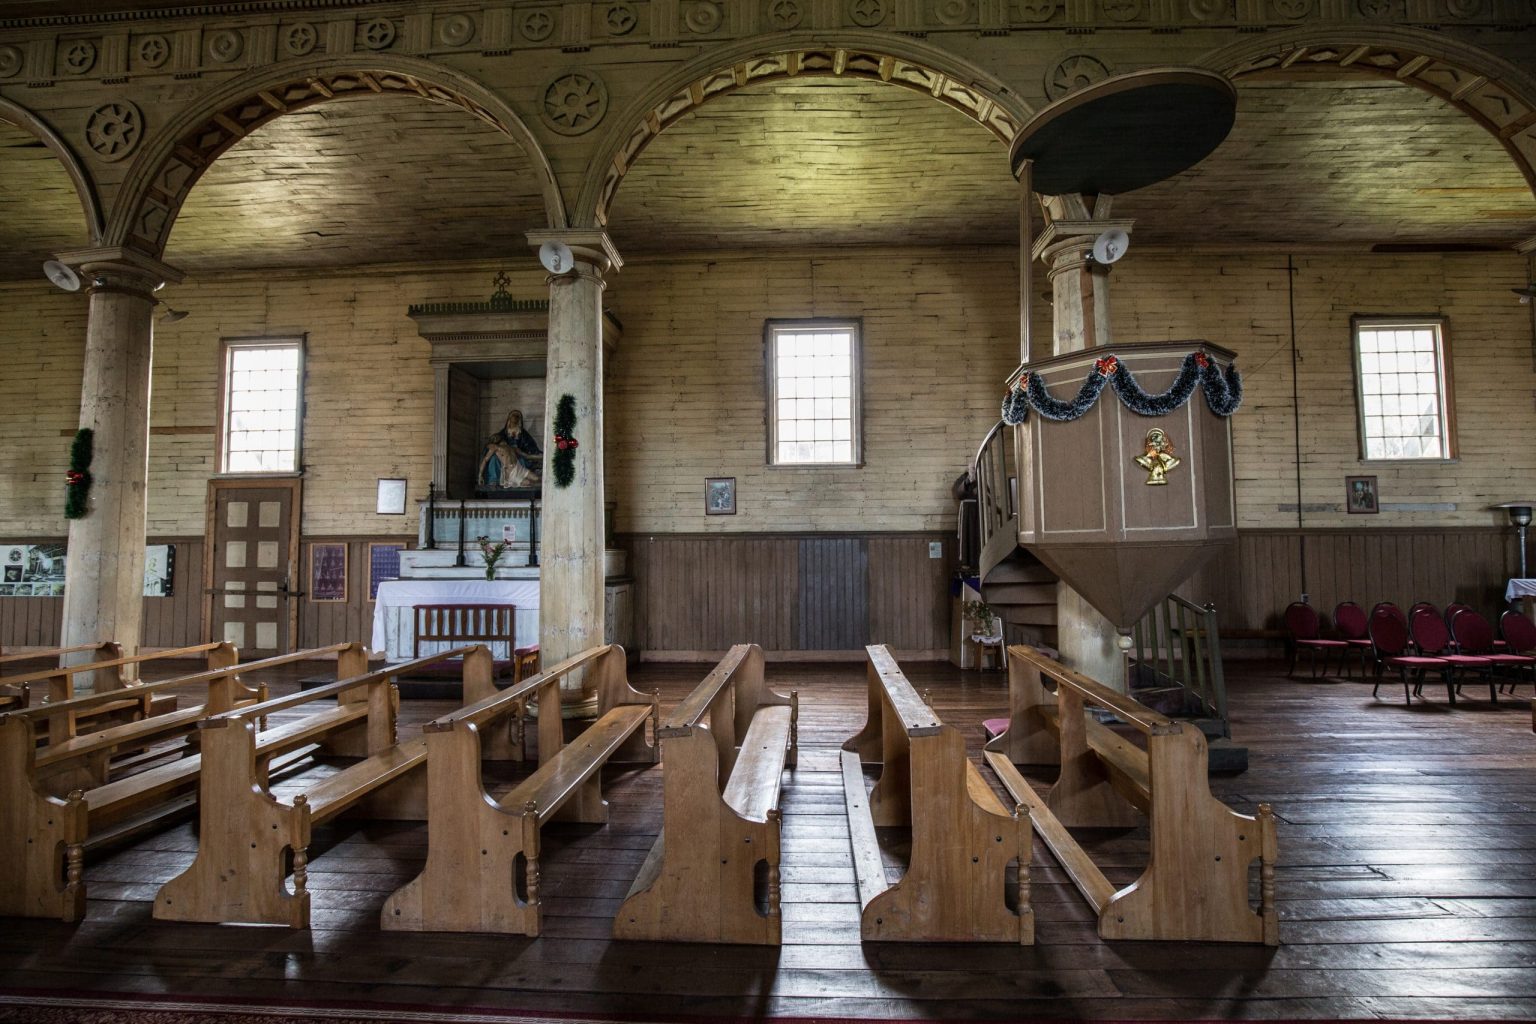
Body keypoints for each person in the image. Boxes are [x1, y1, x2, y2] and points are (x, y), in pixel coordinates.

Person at [477, 409, 543, 490]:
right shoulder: (497, 443)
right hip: (511, 471)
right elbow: (485, 458)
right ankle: (494, 480)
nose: (514, 420)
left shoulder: (521, 438)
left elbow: (527, 454)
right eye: (513, 418)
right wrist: (480, 475)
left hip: (519, 465)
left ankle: (544, 485)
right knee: (494, 459)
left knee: (536, 478)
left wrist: (541, 457)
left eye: (517, 418)